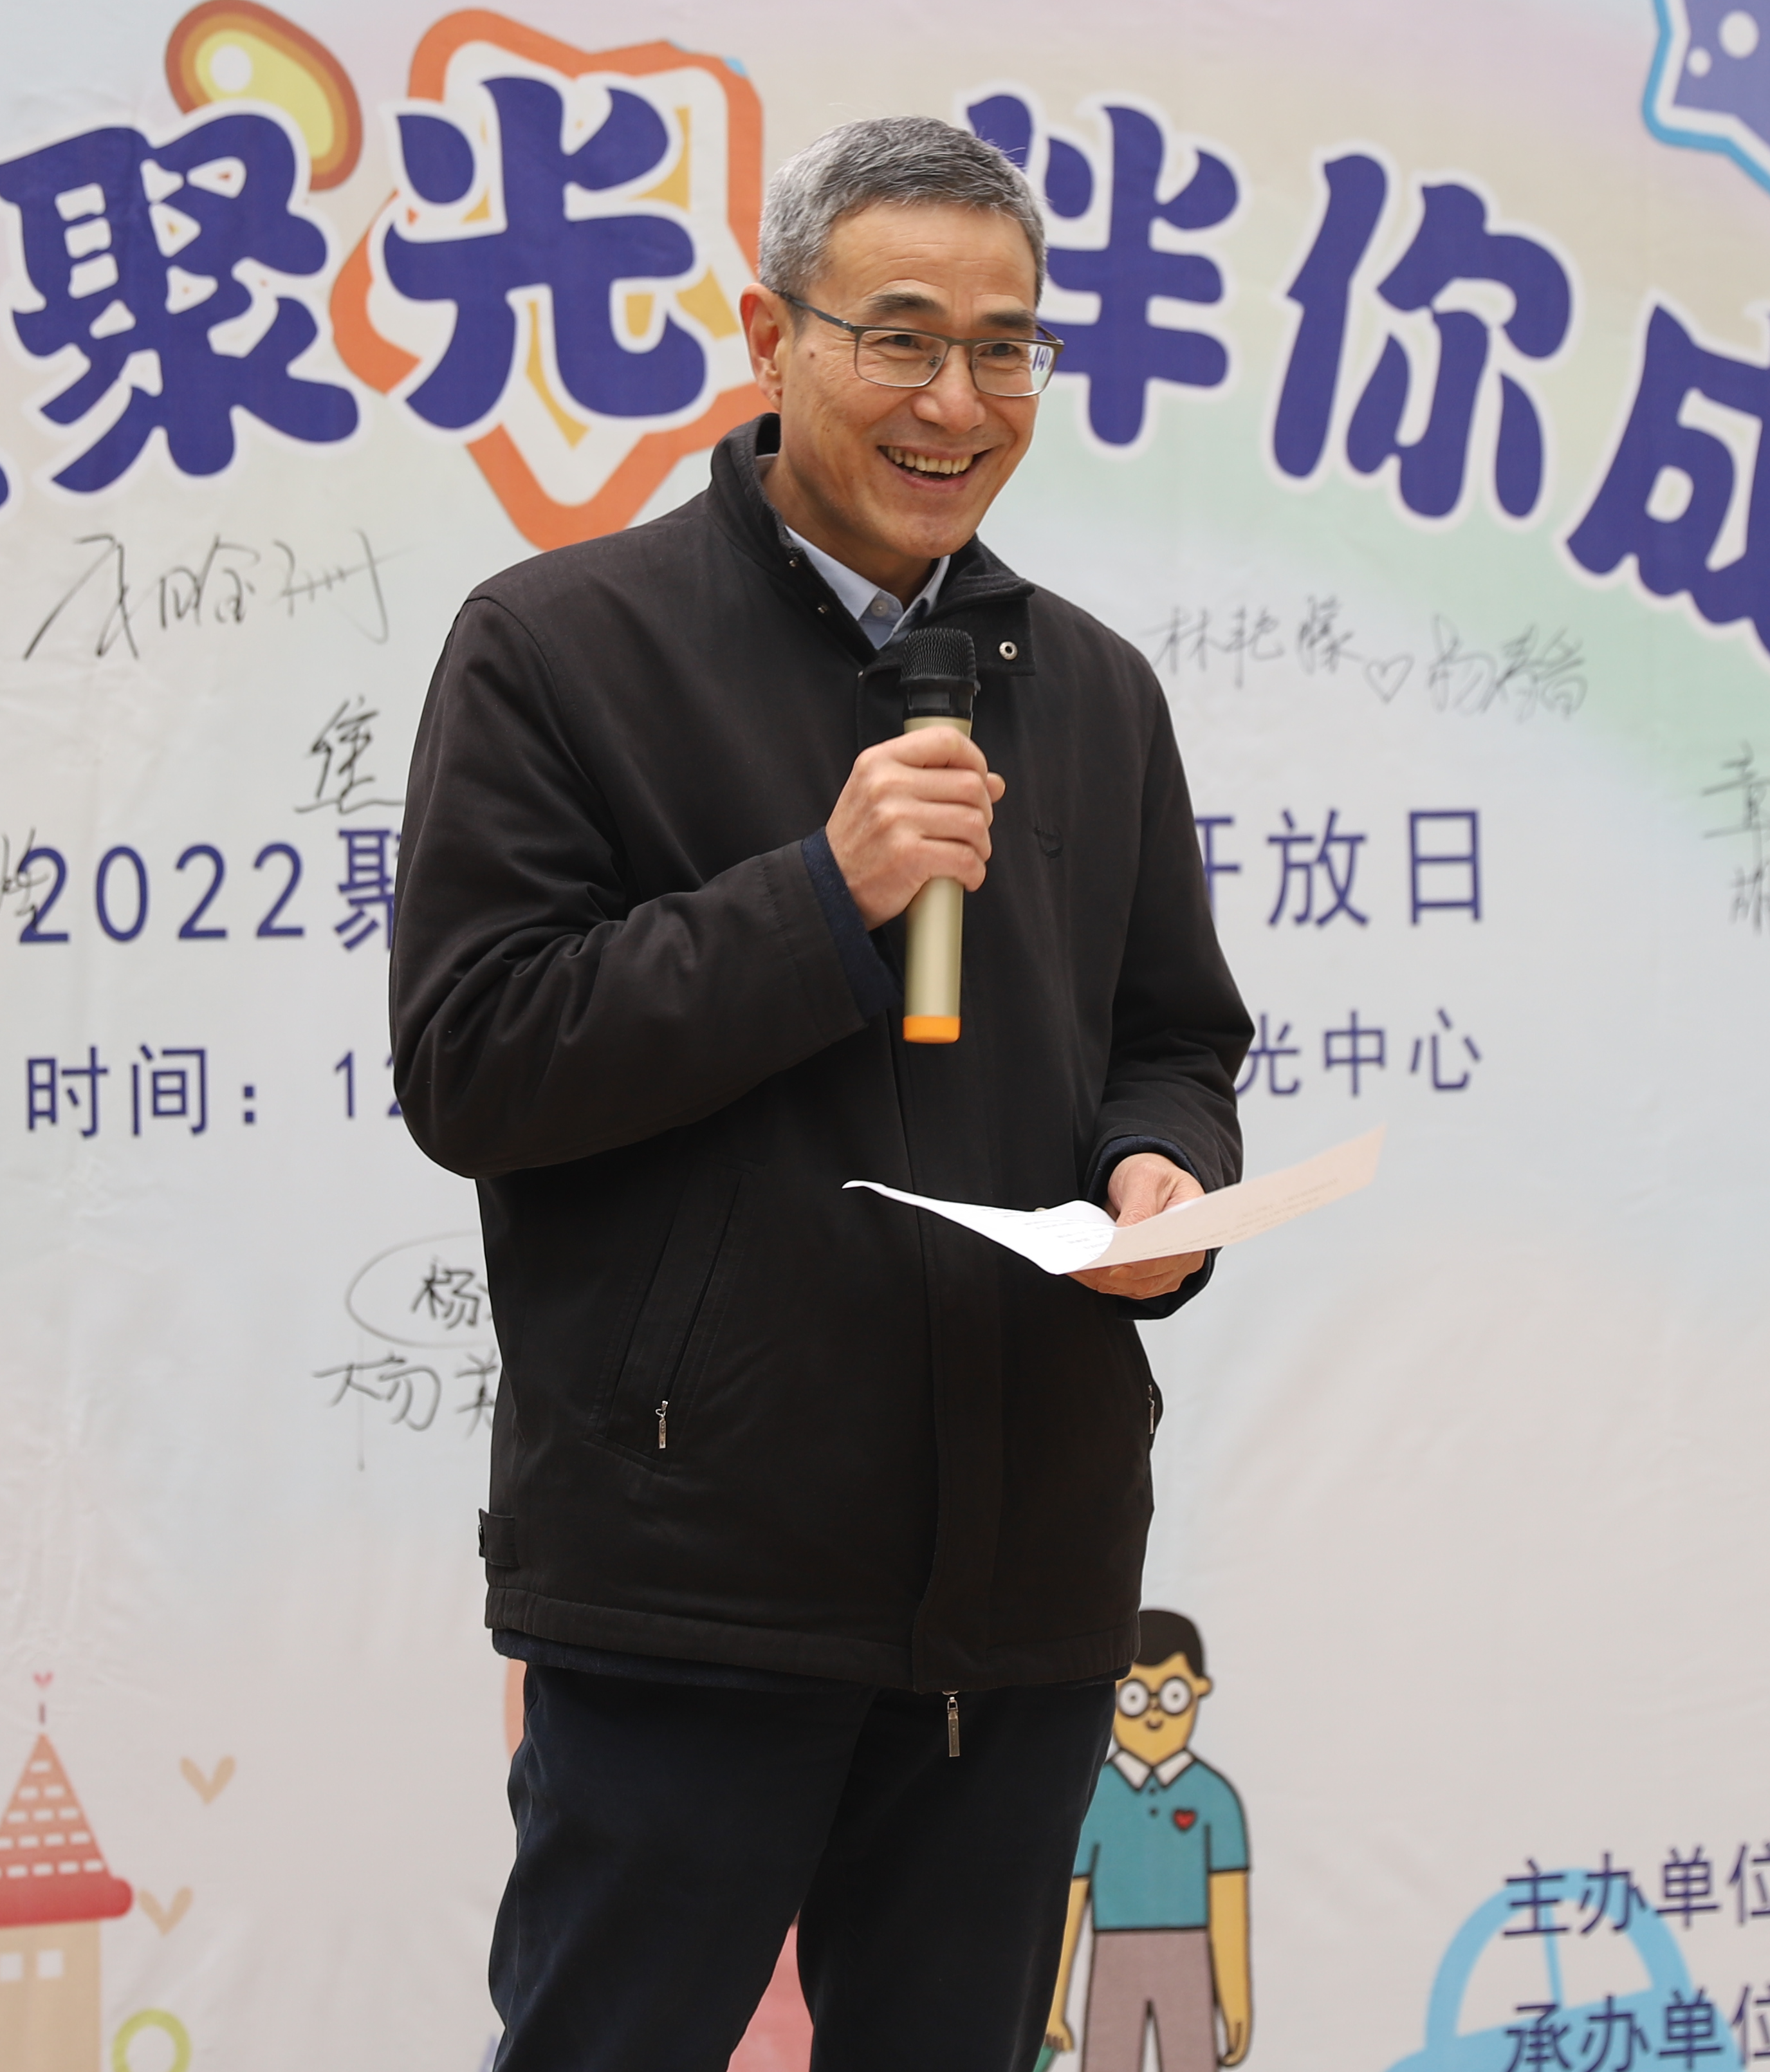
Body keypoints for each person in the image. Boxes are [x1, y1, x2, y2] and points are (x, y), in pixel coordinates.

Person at [389, 113, 1253, 2072]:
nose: (958, 400)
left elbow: (1172, 1037)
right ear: (769, 335)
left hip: (1023, 1580)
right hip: (696, 1575)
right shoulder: (558, 649)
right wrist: (816, 898)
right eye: (902, 336)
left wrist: (1157, 1176)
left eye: (1006, 347)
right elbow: (474, 1058)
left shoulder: (1093, 690)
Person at [1049, 1608, 1253, 2071]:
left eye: (1173, 1695)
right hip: (1113, 1956)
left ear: (1199, 1690)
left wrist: (1236, 2003)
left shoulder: (1215, 1799)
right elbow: (1069, 1902)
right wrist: (1052, 2001)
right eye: (1137, 1697)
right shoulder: (1095, 1794)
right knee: (1109, 2059)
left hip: (1189, 1957)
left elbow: (1228, 1906)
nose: (1155, 1715)